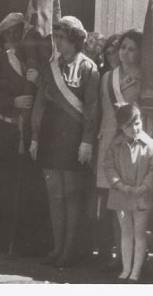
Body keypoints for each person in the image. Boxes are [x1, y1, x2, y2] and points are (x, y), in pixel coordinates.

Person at [29, 15, 99, 268]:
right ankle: (57, 248)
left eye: (61, 37)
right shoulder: (51, 68)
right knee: (54, 196)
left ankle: (69, 250)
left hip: (74, 139)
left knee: (71, 197)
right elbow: (39, 103)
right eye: (55, 37)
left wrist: (87, 141)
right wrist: (35, 136)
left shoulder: (89, 68)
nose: (57, 42)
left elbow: (92, 107)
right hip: (50, 137)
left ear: (75, 39)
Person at [0, 13, 47, 255]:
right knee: (5, 186)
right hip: (8, 131)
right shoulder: (1, 62)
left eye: (18, 33)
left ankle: (26, 241)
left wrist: (39, 80)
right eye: (10, 34)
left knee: (29, 187)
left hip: (32, 133)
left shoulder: (39, 61)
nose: (14, 38)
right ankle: (2, 239)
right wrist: (13, 101)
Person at [95, 30, 143, 269]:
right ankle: (117, 255)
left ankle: (129, 259)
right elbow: (101, 112)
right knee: (112, 201)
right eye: (123, 47)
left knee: (128, 202)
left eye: (131, 48)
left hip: (131, 146)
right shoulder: (107, 78)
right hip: (108, 145)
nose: (125, 52)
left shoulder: (145, 79)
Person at [104, 104, 153, 283]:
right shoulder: (115, 144)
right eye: (129, 125)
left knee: (139, 232)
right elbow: (109, 167)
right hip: (122, 194)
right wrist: (120, 185)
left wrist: (143, 187)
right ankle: (126, 269)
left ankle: (136, 271)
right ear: (121, 126)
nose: (135, 128)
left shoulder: (151, 145)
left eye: (137, 123)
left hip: (142, 196)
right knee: (125, 232)